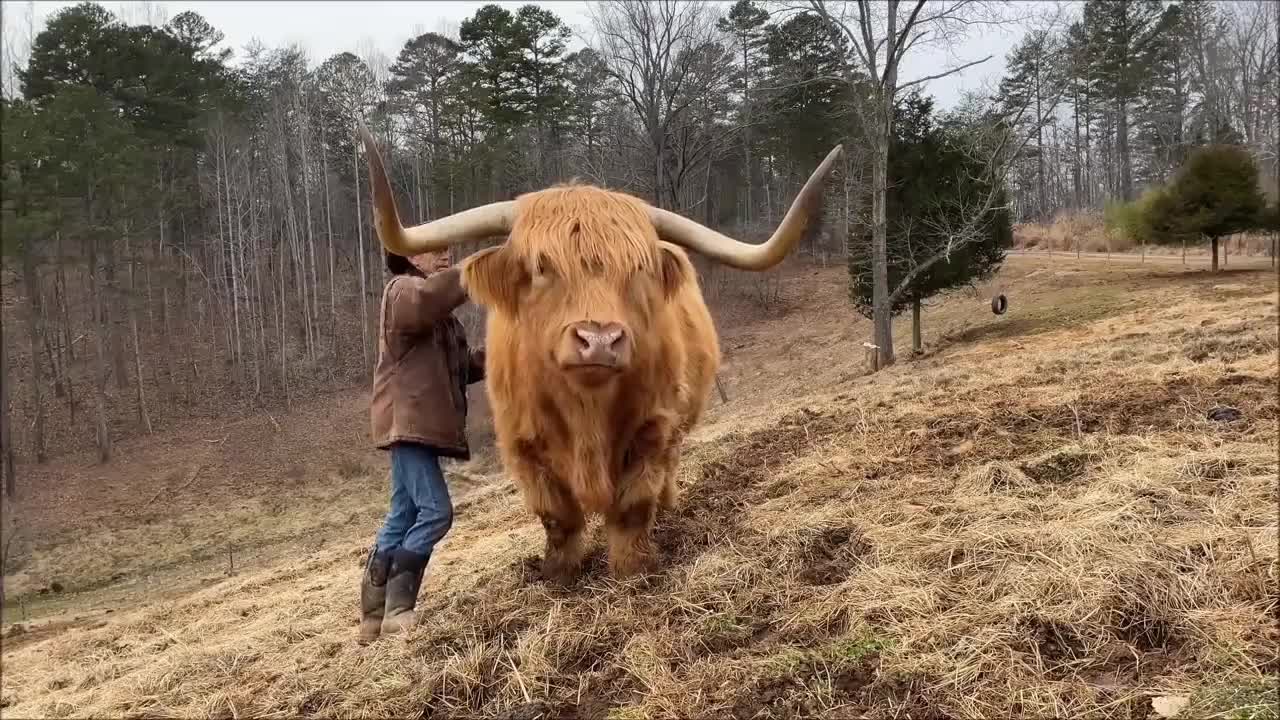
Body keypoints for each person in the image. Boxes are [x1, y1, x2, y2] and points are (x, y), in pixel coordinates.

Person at [359, 248, 485, 644]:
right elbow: (428, 299)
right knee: (436, 512)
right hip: (408, 424)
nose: (446, 254)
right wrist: (480, 269)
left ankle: (372, 618)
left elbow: (464, 366)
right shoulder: (402, 292)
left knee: (402, 513)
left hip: (418, 426)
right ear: (410, 256)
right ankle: (398, 609)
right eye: (435, 249)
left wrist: (507, 350)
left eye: (450, 249)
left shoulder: (440, 320)